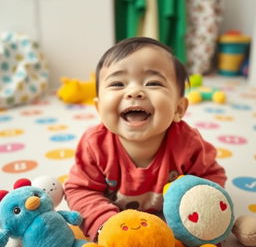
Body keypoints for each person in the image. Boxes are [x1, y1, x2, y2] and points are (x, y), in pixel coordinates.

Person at [64, 37, 227, 241]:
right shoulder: (95, 145)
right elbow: (80, 189)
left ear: (178, 109)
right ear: (98, 108)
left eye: (153, 83)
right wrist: (106, 225)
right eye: (117, 83)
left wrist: (197, 220)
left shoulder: (188, 143)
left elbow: (211, 178)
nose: (134, 92)